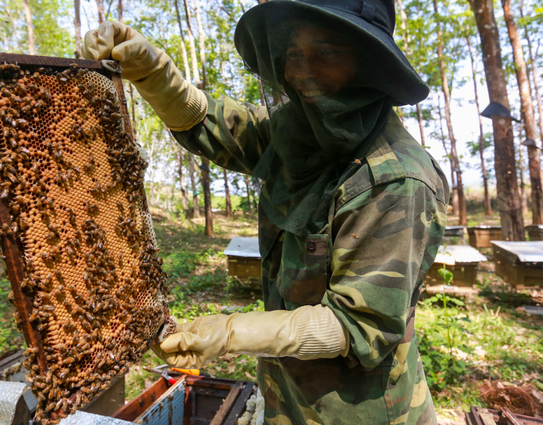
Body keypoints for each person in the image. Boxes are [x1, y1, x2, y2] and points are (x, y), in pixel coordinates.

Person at [83, 0, 448, 423]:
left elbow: (357, 325)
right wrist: (155, 74)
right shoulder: (299, 132)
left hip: (360, 410)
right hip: (286, 394)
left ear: (368, 66)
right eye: (293, 54)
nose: (300, 72)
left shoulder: (398, 180)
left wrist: (233, 331)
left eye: (325, 53)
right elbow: (218, 128)